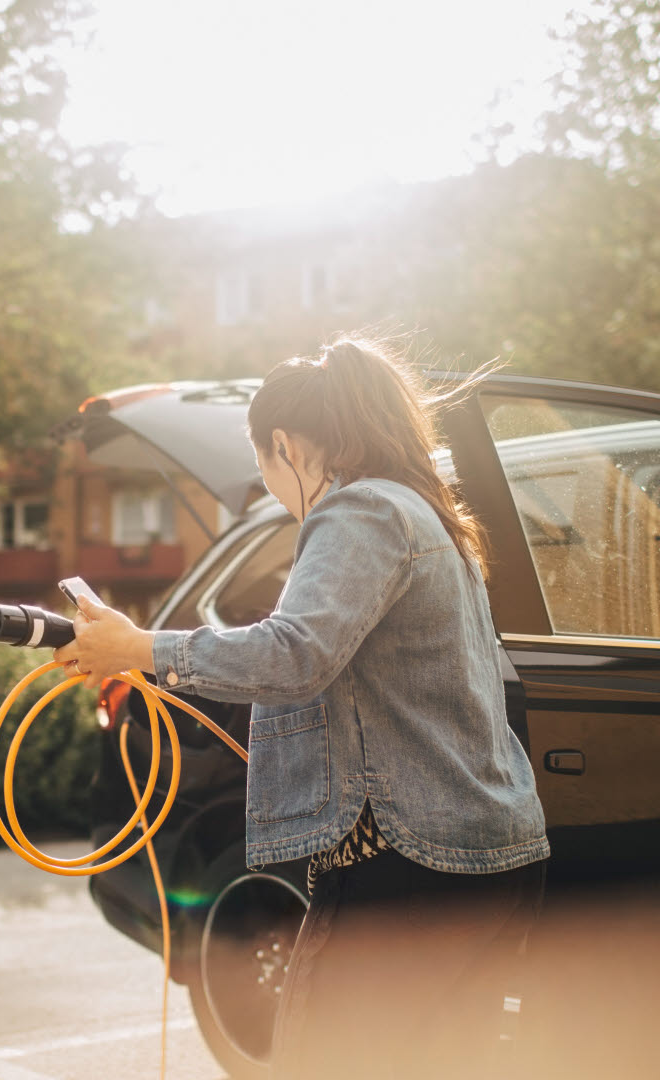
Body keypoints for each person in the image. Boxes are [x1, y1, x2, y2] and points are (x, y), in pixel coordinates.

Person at [55, 337, 549, 1079]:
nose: (269, 482)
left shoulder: (359, 511)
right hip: (489, 852)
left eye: (263, 462)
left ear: (283, 443)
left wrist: (142, 649)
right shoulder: (428, 514)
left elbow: (294, 653)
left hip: (408, 860)